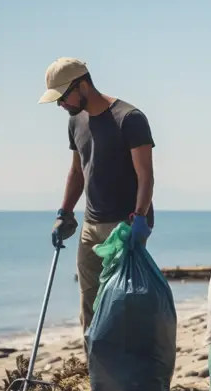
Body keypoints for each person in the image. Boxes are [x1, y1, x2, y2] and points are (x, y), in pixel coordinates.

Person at [42, 57, 156, 333]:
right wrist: (64, 213)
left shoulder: (129, 118)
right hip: (90, 226)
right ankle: (98, 370)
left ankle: (127, 368)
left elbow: (146, 175)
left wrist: (139, 219)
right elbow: (77, 172)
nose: (60, 104)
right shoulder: (75, 121)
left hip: (125, 225)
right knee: (89, 304)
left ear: (82, 86)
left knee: (122, 303)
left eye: (63, 97)